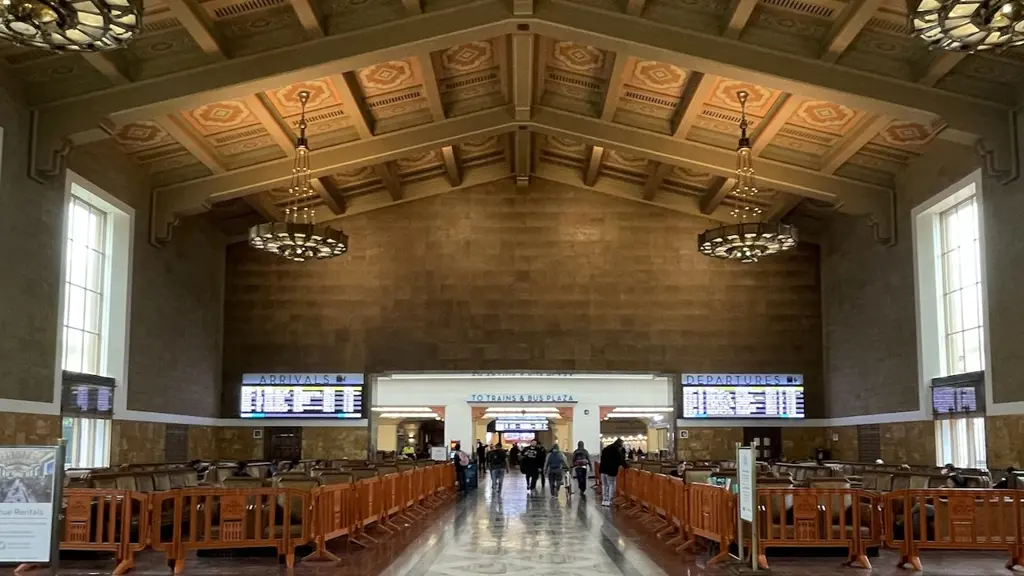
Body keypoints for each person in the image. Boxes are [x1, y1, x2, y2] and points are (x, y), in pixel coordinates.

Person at [600, 439, 626, 507]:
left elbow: (602, 459)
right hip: (611, 470)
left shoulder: (606, 449)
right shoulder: (616, 450)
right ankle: (610, 500)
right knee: (611, 484)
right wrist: (626, 466)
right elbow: (620, 460)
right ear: (619, 444)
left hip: (603, 469)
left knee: (604, 485)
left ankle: (604, 500)